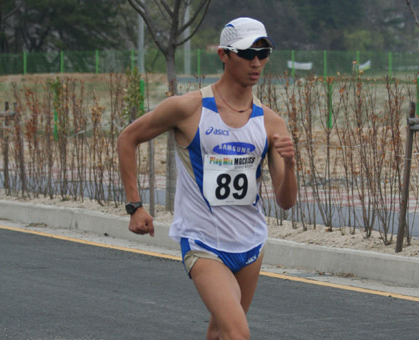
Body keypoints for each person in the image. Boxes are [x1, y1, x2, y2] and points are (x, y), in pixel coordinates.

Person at [117, 17, 297, 340]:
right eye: (247, 54)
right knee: (237, 332)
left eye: (264, 53)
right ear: (224, 54)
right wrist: (135, 206)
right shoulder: (189, 109)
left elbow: (285, 203)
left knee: (219, 331)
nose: (257, 63)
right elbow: (127, 139)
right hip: (203, 243)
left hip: (251, 245)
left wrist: (291, 165)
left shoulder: (271, 123)